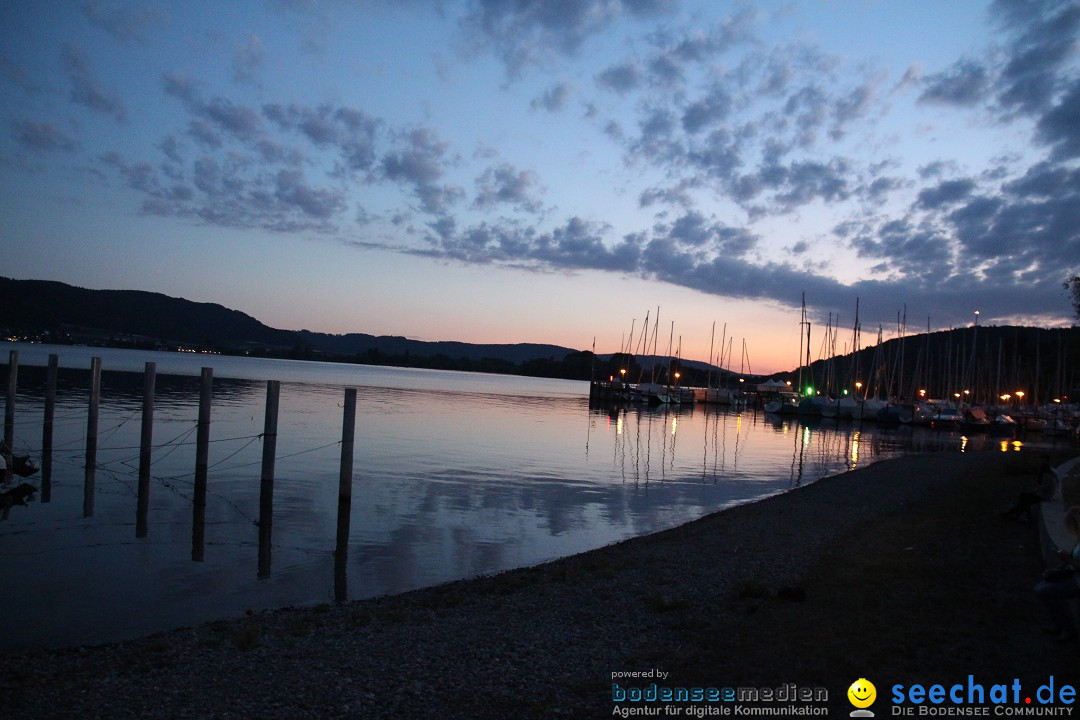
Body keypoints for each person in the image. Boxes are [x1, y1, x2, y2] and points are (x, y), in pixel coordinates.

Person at [1034, 506, 1080, 642]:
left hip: (1077, 583)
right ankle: (1060, 624)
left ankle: (1067, 629)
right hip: (1073, 576)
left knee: (1043, 592)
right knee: (1039, 589)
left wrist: (1068, 559)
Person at [1001, 455, 1058, 522]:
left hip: (1046, 495)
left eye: (1040, 462)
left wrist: (1035, 491)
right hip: (1045, 493)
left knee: (1025, 499)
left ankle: (1015, 515)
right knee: (1024, 497)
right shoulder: (1048, 471)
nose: (1039, 464)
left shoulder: (1046, 473)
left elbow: (1044, 488)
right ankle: (1015, 514)